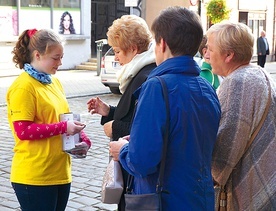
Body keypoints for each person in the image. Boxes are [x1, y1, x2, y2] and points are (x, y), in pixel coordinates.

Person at [109, 6, 221, 210]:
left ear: (162, 44)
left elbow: (142, 162)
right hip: (200, 199)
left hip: (165, 200)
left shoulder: (157, 87)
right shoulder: (207, 86)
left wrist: (124, 150)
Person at [6, 28, 91, 211]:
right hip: (35, 176)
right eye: (55, 57)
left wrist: (80, 138)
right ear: (37, 55)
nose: (60, 63)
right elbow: (23, 131)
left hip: (59, 172)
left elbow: (64, 117)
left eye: (61, 57)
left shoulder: (54, 82)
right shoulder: (24, 87)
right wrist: (63, 127)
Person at [87, 15, 156, 210]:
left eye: (117, 51)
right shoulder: (140, 71)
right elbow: (134, 113)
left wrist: (115, 127)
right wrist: (108, 111)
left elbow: (145, 127)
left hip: (135, 169)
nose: (115, 57)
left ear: (133, 49)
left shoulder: (145, 76)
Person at [205, 21, 276, 210]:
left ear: (228, 55)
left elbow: (225, 154)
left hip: (248, 193)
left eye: (211, 49)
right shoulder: (258, 73)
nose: (206, 55)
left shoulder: (238, 83)